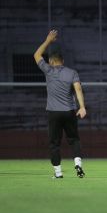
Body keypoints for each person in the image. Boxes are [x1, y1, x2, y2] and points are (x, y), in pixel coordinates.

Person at [33, 30, 86, 179]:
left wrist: (48, 40)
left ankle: (58, 173)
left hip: (53, 113)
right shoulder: (72, 72)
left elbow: (36, 55)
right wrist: (82, 107)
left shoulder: (48, 70)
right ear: (62, 61)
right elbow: (78, 89)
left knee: (54, 143)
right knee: (74, 139)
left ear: (51, 61)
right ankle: (78, 165)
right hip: (70, 111)